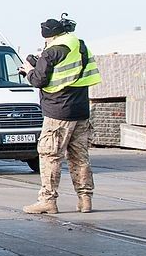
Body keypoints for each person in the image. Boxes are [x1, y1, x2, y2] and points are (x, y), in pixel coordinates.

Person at [20, 15, 100, 214]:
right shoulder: (80, 46)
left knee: (50, 156)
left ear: (48, 36)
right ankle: (85, 200)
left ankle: (48, 201)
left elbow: (39, 80)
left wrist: (29, 70)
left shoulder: (51, 51)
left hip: (58, 112)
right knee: (80, 158)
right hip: (81, 111)